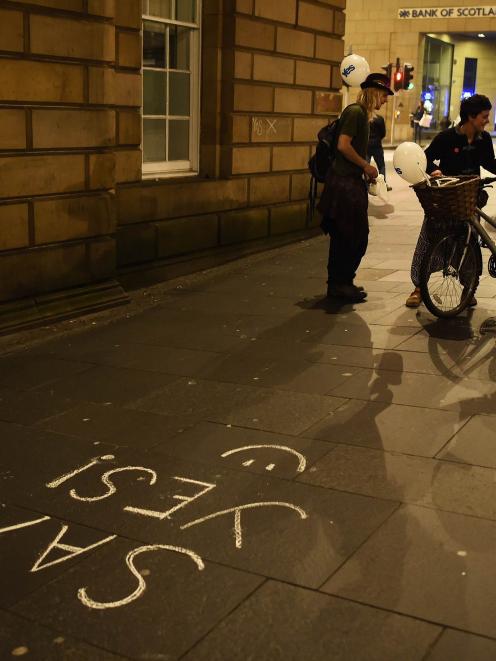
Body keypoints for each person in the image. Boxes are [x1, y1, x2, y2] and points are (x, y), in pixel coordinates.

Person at [406, 94, 496, 308]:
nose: (487, 121)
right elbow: (425, 159)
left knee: (469, 240)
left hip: (468, 197)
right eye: (484, 116)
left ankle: (468, 287)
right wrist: (434, 170)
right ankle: (419, 288)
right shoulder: (446, 138)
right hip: (445, 198)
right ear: (471, 117)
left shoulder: (483, 140)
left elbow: (490, 163)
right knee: (429, 239)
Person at [318, 73, 393, 302]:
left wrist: (363, 170)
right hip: (343, 185)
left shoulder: (362, 115)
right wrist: (365, 166)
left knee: (351, 236)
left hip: (350, 182)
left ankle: (342, 283)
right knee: (352, 237)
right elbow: (342, 145)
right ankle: (339, 285)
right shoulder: (355, 112)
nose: (386, 100)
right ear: (374, 92)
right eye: (384, 95)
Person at [367, 114, 392, 191]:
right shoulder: (380, 118)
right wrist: (377, 138)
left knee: (366, 166)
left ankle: (366, 184)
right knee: (381, 166)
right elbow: (383, 133)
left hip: (367, 145)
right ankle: (383, 185)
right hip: (377, 145)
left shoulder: (365, 118)